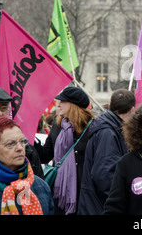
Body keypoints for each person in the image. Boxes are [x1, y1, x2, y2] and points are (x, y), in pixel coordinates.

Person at [34, 86, 99, 215]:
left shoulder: (93, 128)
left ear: (74, 105)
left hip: (84, 193)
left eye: (63, 101)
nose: (59, 104)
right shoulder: (58, 127)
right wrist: (32, 141)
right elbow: (45, 156)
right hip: (60, 192)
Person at [78, 89, 136, 215]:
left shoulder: (111, 127)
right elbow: (105, 177)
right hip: (100, 208)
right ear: (132, 109)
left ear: (110, 107)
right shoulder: (108, 133)